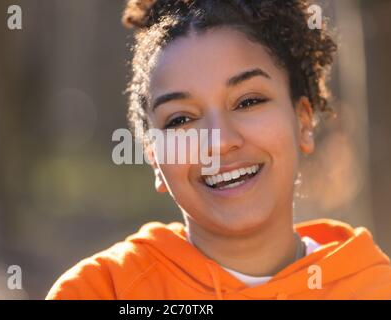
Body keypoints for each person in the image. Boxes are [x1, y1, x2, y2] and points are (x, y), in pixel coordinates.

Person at [46, 0, 391, 299]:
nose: (219, 142)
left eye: (248, 101)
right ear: (154, 158)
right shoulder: (101, 291)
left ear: (302, 122)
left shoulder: (374, 288)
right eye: (181, 119)